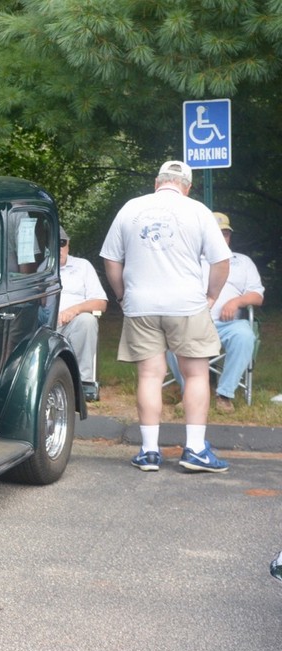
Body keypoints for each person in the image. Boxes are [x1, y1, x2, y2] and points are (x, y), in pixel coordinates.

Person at [100, 160, 232, 473]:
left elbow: (110, 259)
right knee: (196, 373)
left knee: (150, 374)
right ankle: (196, 449)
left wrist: (122, 296)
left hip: (141, 304)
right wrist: (211, 295)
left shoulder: (131, 208)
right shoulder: (197, 210)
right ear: (186, 186)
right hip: (186, 303)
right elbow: (221, 261)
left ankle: (148, 452)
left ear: (157, 182)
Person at [166, 211, 265, 413]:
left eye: (226, 234)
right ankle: (190, 392)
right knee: (170, 337)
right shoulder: (187, 260)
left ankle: (224, 394)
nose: (223, 238)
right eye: (217, 233)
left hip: (228, 325)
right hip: (192, 322)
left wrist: (237, 301)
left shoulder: (242, 261)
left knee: (245, 335)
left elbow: (257, 296)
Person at [57, 227, 107, 399]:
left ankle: (82, 383)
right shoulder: (39, 269)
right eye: (54, 243)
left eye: (62, 243)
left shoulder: (83, 266)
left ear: (68, 245)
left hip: (72, 324)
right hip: (43, 324)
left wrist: (74, 310)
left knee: (87, 320)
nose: (59, 248)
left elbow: (101, 303)